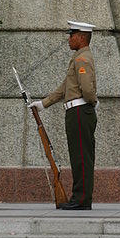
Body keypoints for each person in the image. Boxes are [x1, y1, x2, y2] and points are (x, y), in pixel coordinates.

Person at [30, 20, 98, 210]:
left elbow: (86, 89)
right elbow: (65, 87)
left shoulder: (82, 59)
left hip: (79, 112)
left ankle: (81, 199)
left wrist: (92, 102)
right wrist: (43, 104)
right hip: (76, 112)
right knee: (78, 156)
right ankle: (79, 197)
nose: (69, 39)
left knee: (82, 157)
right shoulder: (78, 57)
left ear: (82, 37)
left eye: (72, 35)